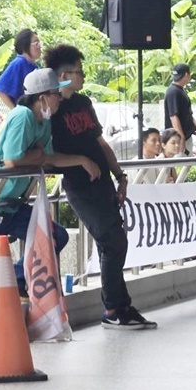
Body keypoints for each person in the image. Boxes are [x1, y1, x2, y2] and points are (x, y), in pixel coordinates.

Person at [44, 45, 158, 330]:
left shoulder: (83, 103)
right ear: (64, 75)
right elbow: (48, 155)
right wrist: (80, 161)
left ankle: (121, 305)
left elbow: (99, 142)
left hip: (103, 181)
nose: (83, 77)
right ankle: (112, 308)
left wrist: (120, 176)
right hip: (80, 185)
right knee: (110, 240)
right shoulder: (51, 109)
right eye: (79, 72)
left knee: (117, 240)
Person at [0, 69, 96, 297]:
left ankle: (17, 281)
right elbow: (12, 160)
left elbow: (46, 158)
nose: (60, 98)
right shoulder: (22, 115)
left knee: (55, 236)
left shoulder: (44, 121)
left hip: (13, 204)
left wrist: (82, 160)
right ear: (42, 98)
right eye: (55, 93)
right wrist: (36, 156)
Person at [0, 28, 41, 110]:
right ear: (25, 46)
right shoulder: (19, 63)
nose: (40, 47)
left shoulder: (34, 67)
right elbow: (0, 88)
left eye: (39, 43)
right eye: (36, 43)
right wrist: (15, 110)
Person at [164, 63, 196, 155]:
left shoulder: (180, 90)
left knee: (188, 163)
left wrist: (195, 125)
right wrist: (181, 137)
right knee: (181, 163)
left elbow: (187, 112)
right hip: (178, 138)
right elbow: (173, 116)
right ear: (187, 75)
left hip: (187, 135)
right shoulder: (173, 92)